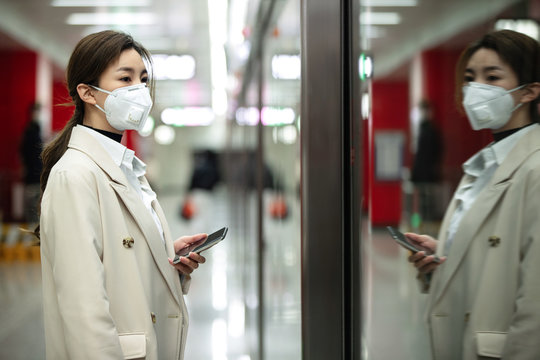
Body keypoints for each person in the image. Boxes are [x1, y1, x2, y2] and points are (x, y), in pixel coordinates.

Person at [37, 30, 207, 360]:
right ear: (87, 92)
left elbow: (118, 257)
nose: (139, 90)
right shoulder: (74, 174)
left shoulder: (126, 168)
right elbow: (82, 305)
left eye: (143, 79)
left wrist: (163, 259)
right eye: (125, 78)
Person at [406, 29, 540, 359]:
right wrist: (447, 255)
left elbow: (536, 299)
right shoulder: (483, 167)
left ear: (530, 92)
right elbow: (497, 249)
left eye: (492, 77)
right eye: (470, 78)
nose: (476, 88)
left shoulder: (535, 169)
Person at [19, 102, 43, 223]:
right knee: (33, 209)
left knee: (36, 209)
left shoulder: (37, 130)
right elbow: (24, 152)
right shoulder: (30, 132)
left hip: (36, 176)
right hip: (32, 177)